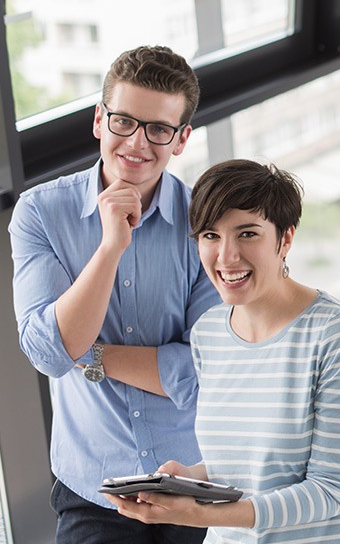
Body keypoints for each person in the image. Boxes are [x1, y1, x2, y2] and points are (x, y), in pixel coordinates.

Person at [10, 46, 220, 543]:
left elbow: (207, 369)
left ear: (181, 139)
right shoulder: (40, 214)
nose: (137, 143)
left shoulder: (204, 223)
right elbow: (49, 353)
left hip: (187, 481)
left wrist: (94, 354)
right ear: (99, 120)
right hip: (93, 488)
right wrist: (109, 248)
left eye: (158, 130)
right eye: (124, 121)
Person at [104, 160, 340, 542]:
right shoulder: (209, 333)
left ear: (285, 239)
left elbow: (330, 490)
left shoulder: (337, 334)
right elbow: (243, 465)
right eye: (210, 236)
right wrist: (188, 477)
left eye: (247, 234)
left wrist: (198, 515)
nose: (226, 257)